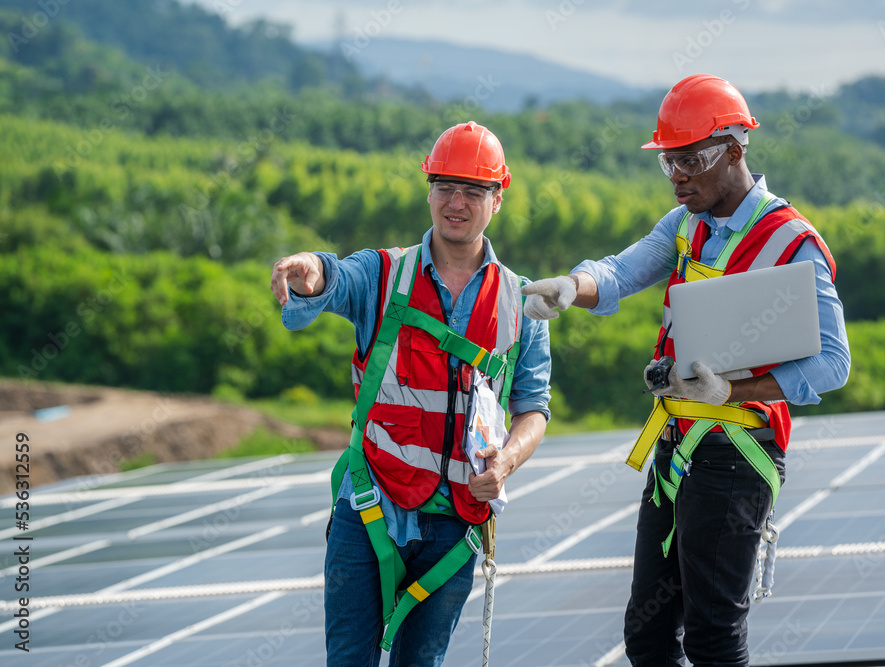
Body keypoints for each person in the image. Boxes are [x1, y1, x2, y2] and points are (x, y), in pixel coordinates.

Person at [521, 74, 850, 666]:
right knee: (648, 638)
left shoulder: (790, 242)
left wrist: (735, 390)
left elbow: (833, 363)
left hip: (736, 456)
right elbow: (620, 272)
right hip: (677, 449)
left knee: (712, 637)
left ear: (735, 150)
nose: (679, 177)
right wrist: (573, 287)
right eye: (669, 162)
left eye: (691, 160)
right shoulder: (684, 228)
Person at [270, 121, 551, 667]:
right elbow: (335, 278)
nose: (456, 202)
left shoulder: (522, 302)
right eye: (445, 186)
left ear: (498, 198)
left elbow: (533, 407)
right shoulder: (384, 274)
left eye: (473, 191)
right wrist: (311, 273)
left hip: (456, 519)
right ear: (429, 189)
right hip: (370, 507)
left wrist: (507, 462)